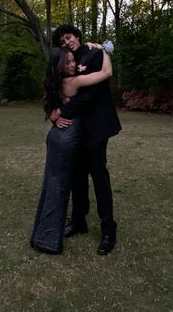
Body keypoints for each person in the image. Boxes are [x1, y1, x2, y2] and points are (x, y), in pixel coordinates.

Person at [30, 45, 113, 255]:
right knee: (65, 184)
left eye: (73, 60)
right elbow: (106, 73)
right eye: (67, 62)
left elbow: (50, 108)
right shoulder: (73, 81)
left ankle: (52, 231)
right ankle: (63, 229)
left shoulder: (53, 84)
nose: (73, 63)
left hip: (58, 136)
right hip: (69, 138)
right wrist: (105, 50)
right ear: (59, 66)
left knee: (58, 182)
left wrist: (54, 115)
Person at [51, 24, 122, 255]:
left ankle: (108, 230)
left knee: (99, 177)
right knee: (77, 177)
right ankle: (79, 221)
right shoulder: (65, 62)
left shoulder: (94, 53)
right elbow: (56, 89)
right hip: (76, 132)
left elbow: (92, 94)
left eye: (68, 37)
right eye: (62, 41)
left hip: (96, 128)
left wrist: (63, 112)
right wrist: (52, 111)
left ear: (77, 35)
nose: (66, 42)